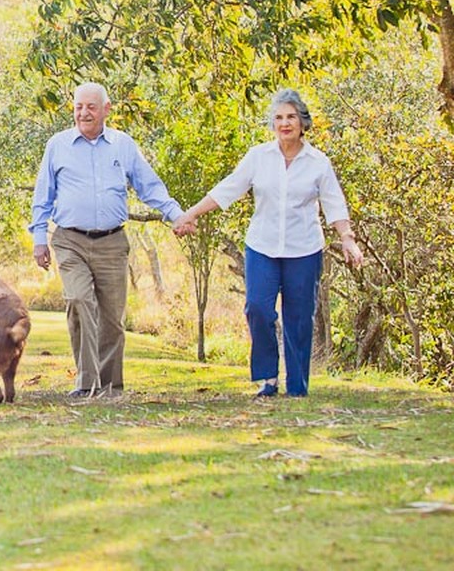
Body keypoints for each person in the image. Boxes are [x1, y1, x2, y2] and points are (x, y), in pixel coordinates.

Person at [173, 88, 363, 397]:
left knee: (299, 319)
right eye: (278, 117)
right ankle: (268, 378)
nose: (284, 123)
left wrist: (348, 240)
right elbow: (228, 189)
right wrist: (190, 214)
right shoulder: (258, 157)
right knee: (258, 308)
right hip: (262, 246)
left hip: (304, 249)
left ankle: (297, 387)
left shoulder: (318, 162)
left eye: (291, 117)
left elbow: (334, 204)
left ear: (303, 122)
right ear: (272, 123)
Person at [30, 82, 184, 399]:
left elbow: (149, 186)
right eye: (78, 107)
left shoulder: (122, 145)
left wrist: (175, 214)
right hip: (70, 240)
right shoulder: (57, 145)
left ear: (106, 109)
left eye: (90, 107)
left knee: (112, 318)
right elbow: (42, 197)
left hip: (113, 242)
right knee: (78, 300)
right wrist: (38, 238)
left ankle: (111, 387)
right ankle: (86, 382)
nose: (83, 113)